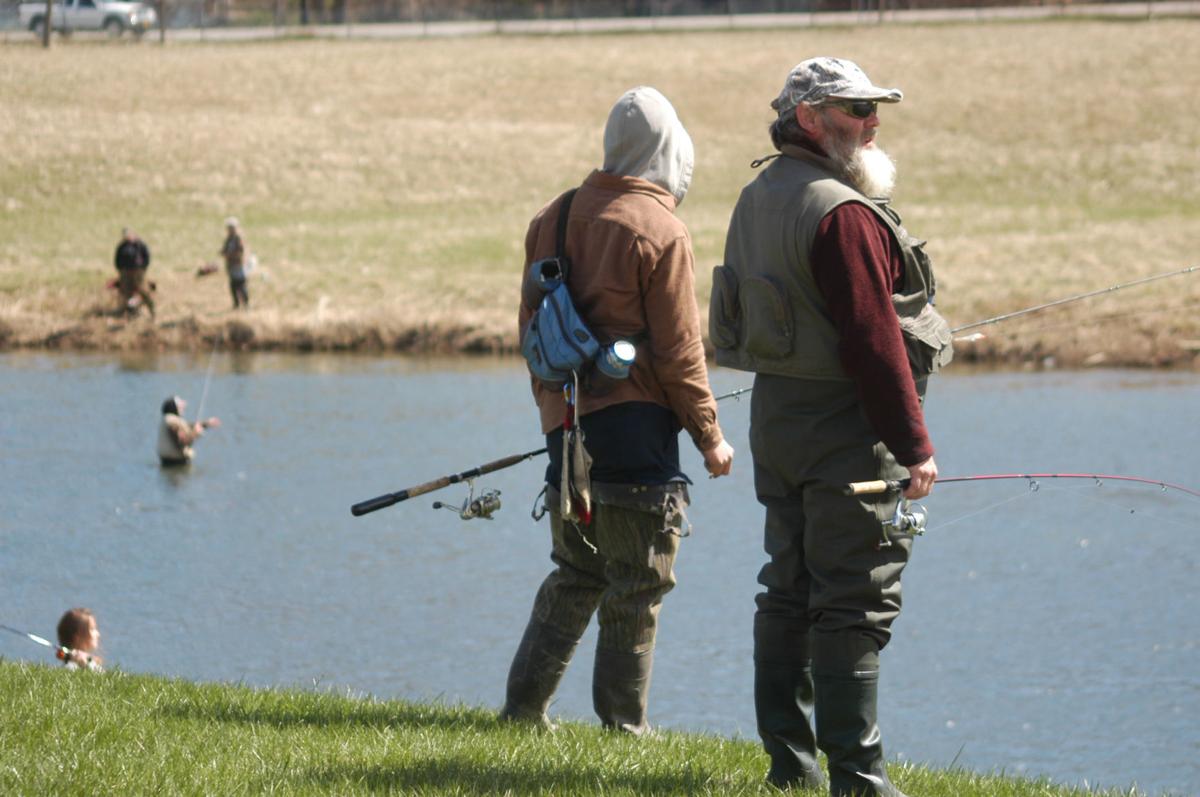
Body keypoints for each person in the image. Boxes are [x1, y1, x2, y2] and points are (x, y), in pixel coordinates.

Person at [710, 58, 953, 796]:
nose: (871, 121)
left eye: (875, 108)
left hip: (776, 422)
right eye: (853, 110)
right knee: (854, 594)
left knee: (788, 588)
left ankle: (790, 767)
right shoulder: (842, 213)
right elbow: (874, 342)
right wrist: (915, 446)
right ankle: (859, 777)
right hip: (844, 429)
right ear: (810, 118)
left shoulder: (760, 194)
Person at [502, 86, 735, 735]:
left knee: (576, 572)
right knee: (637, 584)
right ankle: (623, 729)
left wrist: (554, 419)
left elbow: (530, 333)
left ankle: (522, 710)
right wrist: (711, 438)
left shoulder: (551, 216)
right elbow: (680, 351)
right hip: (638, 439)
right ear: (667, 152)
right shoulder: (661, 229)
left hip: (567, 432)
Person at [158, 395, 220, 466]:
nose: (183, 407)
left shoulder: (168, 419)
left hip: (167, 462)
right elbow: (182, 442)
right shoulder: (173, 422)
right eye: (180, 405)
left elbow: (187, 426)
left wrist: (207, 423)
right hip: (176, 465)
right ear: (174, 408)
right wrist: (195, 434)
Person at [113, 228, 154, 318]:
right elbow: (117, 259)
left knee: (143, 290)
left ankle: (151, 310)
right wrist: (120, 270)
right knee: (126, 292)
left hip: (138, 271)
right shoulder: (122, 246)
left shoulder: (139, 244)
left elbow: (146, 256)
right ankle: (129, 312)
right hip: (125, 272)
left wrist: (143, 267)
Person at [56, 607, 104, 672]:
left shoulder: (90, 663)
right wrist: (86, 665)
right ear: (77, 637)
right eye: (92, 629)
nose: (98, 634)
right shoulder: (69, 669)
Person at [221, 217, 249, 309]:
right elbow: (224, 250)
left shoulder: (238, 238)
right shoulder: (229, 239)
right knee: (233, 286)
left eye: (231, 227)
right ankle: (236, 304)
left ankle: (246, 304)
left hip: (239, 265)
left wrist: (230, 255)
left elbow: (241, 252)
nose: (229, 229)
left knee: (241, 285)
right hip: (231, 265)